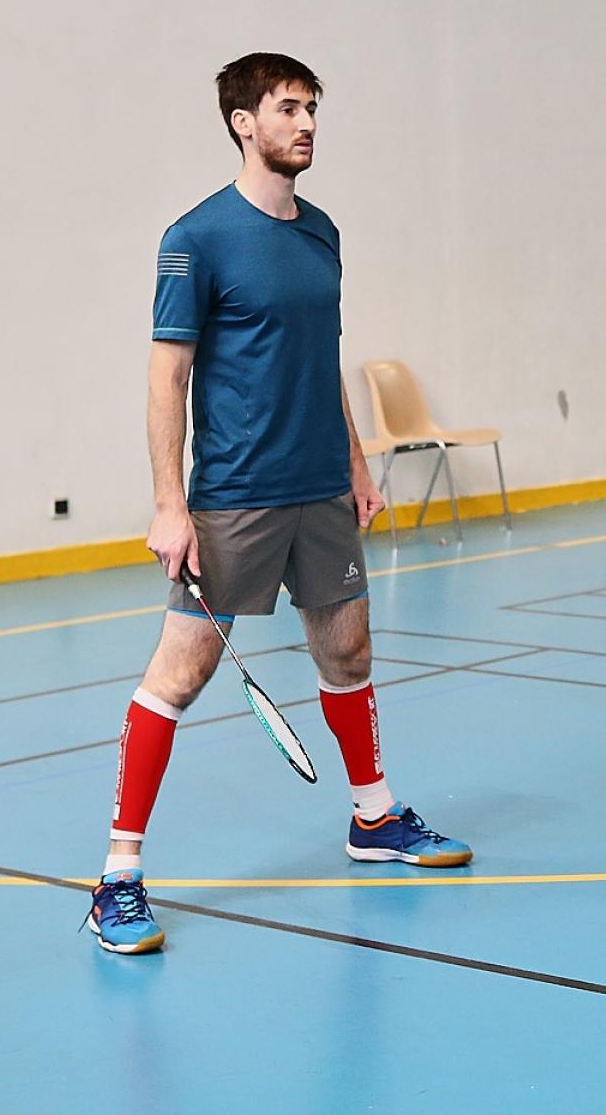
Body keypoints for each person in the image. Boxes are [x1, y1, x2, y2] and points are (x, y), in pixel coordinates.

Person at [84, 54, 472, 956]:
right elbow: (167, 376)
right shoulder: (197, 238)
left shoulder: (322, 232)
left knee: (348, 651)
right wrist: (169, 504)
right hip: (235, 498)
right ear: (242, 122)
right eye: (288, 108)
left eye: (311, 109)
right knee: (178, 676)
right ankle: (118, 878)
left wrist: (356, 464)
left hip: (321, 491)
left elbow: (319, 356)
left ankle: (373, 817)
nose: (306, 124)